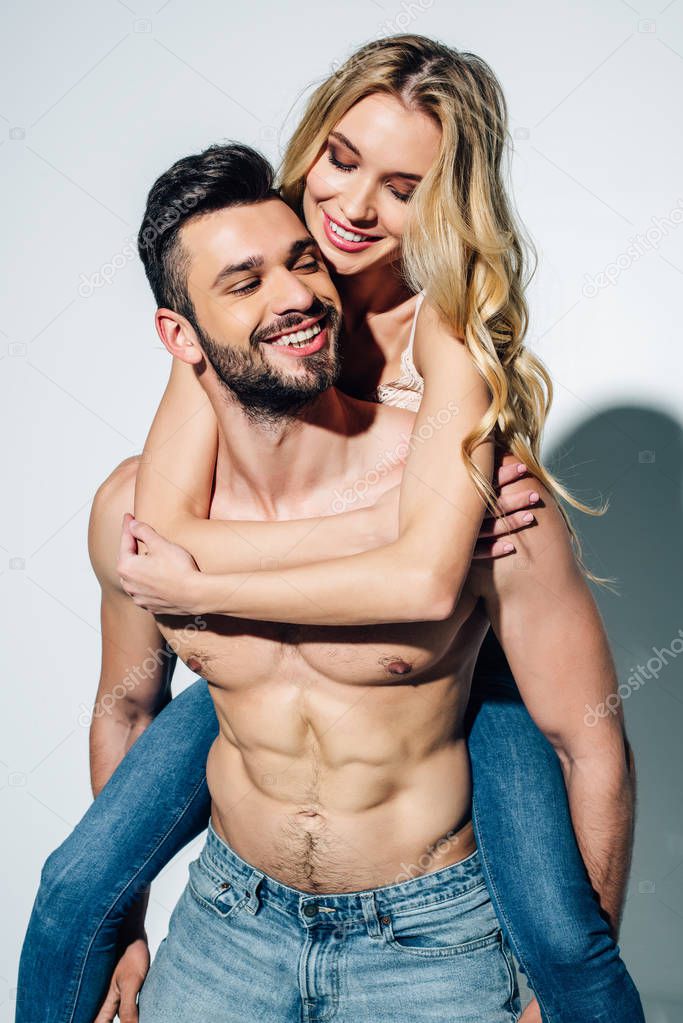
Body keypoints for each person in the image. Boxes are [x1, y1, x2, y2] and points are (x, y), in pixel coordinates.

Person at [16, 36, 644, 1023]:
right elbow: (166, 531)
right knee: (73, 892)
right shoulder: (244, 276)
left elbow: (424, 584)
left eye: (401, 185)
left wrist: (444, 514)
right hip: (277, 641)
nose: (350, 209)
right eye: (341, 160)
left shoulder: (442, 329)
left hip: (455, 664)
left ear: (444, 201)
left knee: (567, 946)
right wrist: (206, 588)